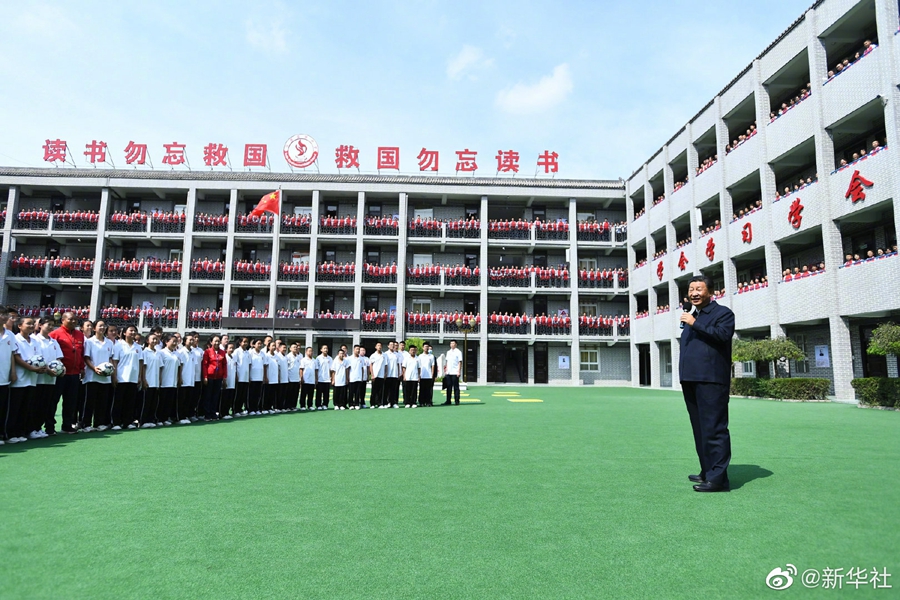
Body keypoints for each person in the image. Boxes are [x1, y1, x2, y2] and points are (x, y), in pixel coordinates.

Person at [679, 275, 736, 493]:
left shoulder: (723, 314)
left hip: (711, 381)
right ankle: (707, 470)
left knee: (714, 428)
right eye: (691, 289)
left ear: (710, 292)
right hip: (691, 380)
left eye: (699, 289)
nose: (694, 293)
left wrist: (695, 323)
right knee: (700, 429)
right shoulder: (693, 315)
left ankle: (718, 479)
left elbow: (722, 335)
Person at [49, 311, 85, 434]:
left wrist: (81, 368)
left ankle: (67, 425)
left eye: (75, 319)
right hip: (60, 374)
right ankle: (50, 427)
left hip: (74, 374)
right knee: (54, 400)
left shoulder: (80, 335)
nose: (74, 321)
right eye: (71, 319)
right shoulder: (55, 334)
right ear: (63, 320)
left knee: (71, 401)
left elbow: (81, 353)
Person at [31, 317, 64, 435]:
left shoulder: (54, 342)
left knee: (46, 405)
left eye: (52, 325)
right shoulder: (34, 340)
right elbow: (36, 359)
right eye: (48, 324)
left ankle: (39, 428)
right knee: (36, 404)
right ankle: (32, 429)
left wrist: (61, 369)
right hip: (38, 378)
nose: (51, 327)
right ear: (40, 325)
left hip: (51, 379)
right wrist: (47, 369)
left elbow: (58, 358)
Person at [82, 321, 116, 432]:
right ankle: (86, 424)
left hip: (105, 378)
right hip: (92, 376)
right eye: (100, 326)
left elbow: (110, 358)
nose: (102, 327)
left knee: (102, 402)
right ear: (94, 328)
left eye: (104, 326)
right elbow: (86, 358)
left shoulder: (109, 342)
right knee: (89, 402)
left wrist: (111, 370)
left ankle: (99, 423)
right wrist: (94, 368)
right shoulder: (89, 342)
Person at [111, 325, 142, 430]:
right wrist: (114, 376)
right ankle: (116, 423)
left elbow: (140, 363)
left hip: (133, 378)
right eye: (131, 330)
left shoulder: (138, 347)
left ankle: (127, 422)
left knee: (130, 402)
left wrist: (139, 377)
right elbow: (115, 362)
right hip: (121, 378)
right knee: (118, 401)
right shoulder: (118, 345)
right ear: (124, 333)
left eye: (134, 331)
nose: (133, 333)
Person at [201, 335, 226, 421]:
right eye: (215, 341)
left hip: (219, 378)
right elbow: (204, 365)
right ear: (211, 342)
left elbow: (224, 365)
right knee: (208, 396)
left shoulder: (222, 352)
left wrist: (224, 377)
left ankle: (213, 413)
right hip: (209, 377)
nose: (217, 343)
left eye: (218, 341)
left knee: (215, 396)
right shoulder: (207, 352)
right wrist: (205, 376)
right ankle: (207, 414)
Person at [158, 334, 181, 426]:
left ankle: (166, 418)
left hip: (173, 381)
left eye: (176, 342)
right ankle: (159, 419)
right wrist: (159, 379)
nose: (175, 343)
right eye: (173, 341)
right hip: (164, 381)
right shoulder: (162, 353)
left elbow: (179, 367)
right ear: (166, 342)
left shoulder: (176, 353)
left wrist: (179, 379)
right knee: (162, 401)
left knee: (169, 401)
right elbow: (160, 367)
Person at [139, 333, 161, 428]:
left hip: (155, 382)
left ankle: (151, 419)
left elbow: (160, 367)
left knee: (153, 402)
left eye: (156, 339)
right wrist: (143, 379)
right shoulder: (144, 352)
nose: (155, 341)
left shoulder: (158, 353)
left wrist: (159, 380)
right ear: (147, 341)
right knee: (146, 403)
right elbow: (143, 367)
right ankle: (143, 421)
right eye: (153, 339)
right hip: (148, 381)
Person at [176, 334, 197, 424]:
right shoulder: (181, 352)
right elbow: (180, 366)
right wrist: (180, 378)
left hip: (191, 380)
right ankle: (180, 417)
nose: (192, 341)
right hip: (183, 379)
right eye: (190, 340)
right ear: (185, 341)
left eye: (193, 340)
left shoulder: (193, 352)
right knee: (182, 400)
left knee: (189, 399)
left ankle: (187, 415)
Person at [247, 339, 266, 415]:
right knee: (251, 394)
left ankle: (256, 408)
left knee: (258, 394)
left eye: (261, 344)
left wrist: (264, 377)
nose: (260, 345)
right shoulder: (250, 353)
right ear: (254, 345)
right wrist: (248, 376)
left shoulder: (262, 354)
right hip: (252, 377)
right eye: (258, 343)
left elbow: (264, 365)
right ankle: (250, 409)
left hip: (260, 377)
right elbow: (249, 365)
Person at [443, 340, 463, 405]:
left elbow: (460, 362)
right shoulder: (448, 352)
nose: (452, 344)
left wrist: (459, 371)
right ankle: (448, 400)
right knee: (448, 387)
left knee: (456, 387)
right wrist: (446, 370)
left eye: (453, 343)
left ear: (456, 344)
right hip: (448, 372)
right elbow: (447, 361)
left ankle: (457, 401)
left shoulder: (458, 352)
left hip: (455, 372)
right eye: (451, 343)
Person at [220, 342, 236, 418]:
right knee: (224, 398)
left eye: (233, 348)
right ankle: (223, 413)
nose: (231, 349)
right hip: (226, 380)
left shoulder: (233, 358)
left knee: (230, 397)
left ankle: (227, 412)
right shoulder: (224, 357)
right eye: (230, 348)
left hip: (232, 381)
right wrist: (224, 380)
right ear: (226, 349)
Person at [314, 345, 333, 410]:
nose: (326, 350)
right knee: (319, 393)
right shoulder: (318, 358)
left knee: (326, 394)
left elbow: (331, 369)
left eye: (326, 348)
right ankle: (318, 405)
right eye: (324, 348)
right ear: (321, 350)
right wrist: (316, 378)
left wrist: (331, 377)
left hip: (327, 379)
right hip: (320, 379)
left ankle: (325, 404)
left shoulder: (330, 358)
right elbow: (316, 369)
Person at [298, 346, 316, 411]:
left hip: (312, 380)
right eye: (309, 351)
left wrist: (316, 379)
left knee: (311, 394)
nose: (311, 352)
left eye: (311, 351)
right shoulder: (303, 360)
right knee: (303, 393)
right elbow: (301, 369)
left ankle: (310, 405)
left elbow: (316, 370)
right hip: (305, 379)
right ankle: (302, 405)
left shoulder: (314, 360)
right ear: (306, 352)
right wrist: (301, 378)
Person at [384, 341, 400, 408]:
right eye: (391, 345)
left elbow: (398, 364)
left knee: (393, 389)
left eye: (393, 345)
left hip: (394, 374)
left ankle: (393, 402)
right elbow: (385, 364)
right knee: (386, 389)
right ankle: (386, 402)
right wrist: (385, 373)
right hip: (388, 375)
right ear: (388, 346)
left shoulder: (397, 354)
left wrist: (399, 373)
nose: (392, 346)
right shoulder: (385, 354)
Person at [369, 342, 386, 407]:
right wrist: (372, 375)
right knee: (374, 390)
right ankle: (372, 404)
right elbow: (371, 365)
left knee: (381, 390)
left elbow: (386, 365)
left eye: (380, 345)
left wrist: (385, 373)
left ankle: (379, 403)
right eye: (378, 345)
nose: (379, 347)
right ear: (375, 347)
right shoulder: (373, 355)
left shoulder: (384, 355)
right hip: (375, 375)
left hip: (381, 375)